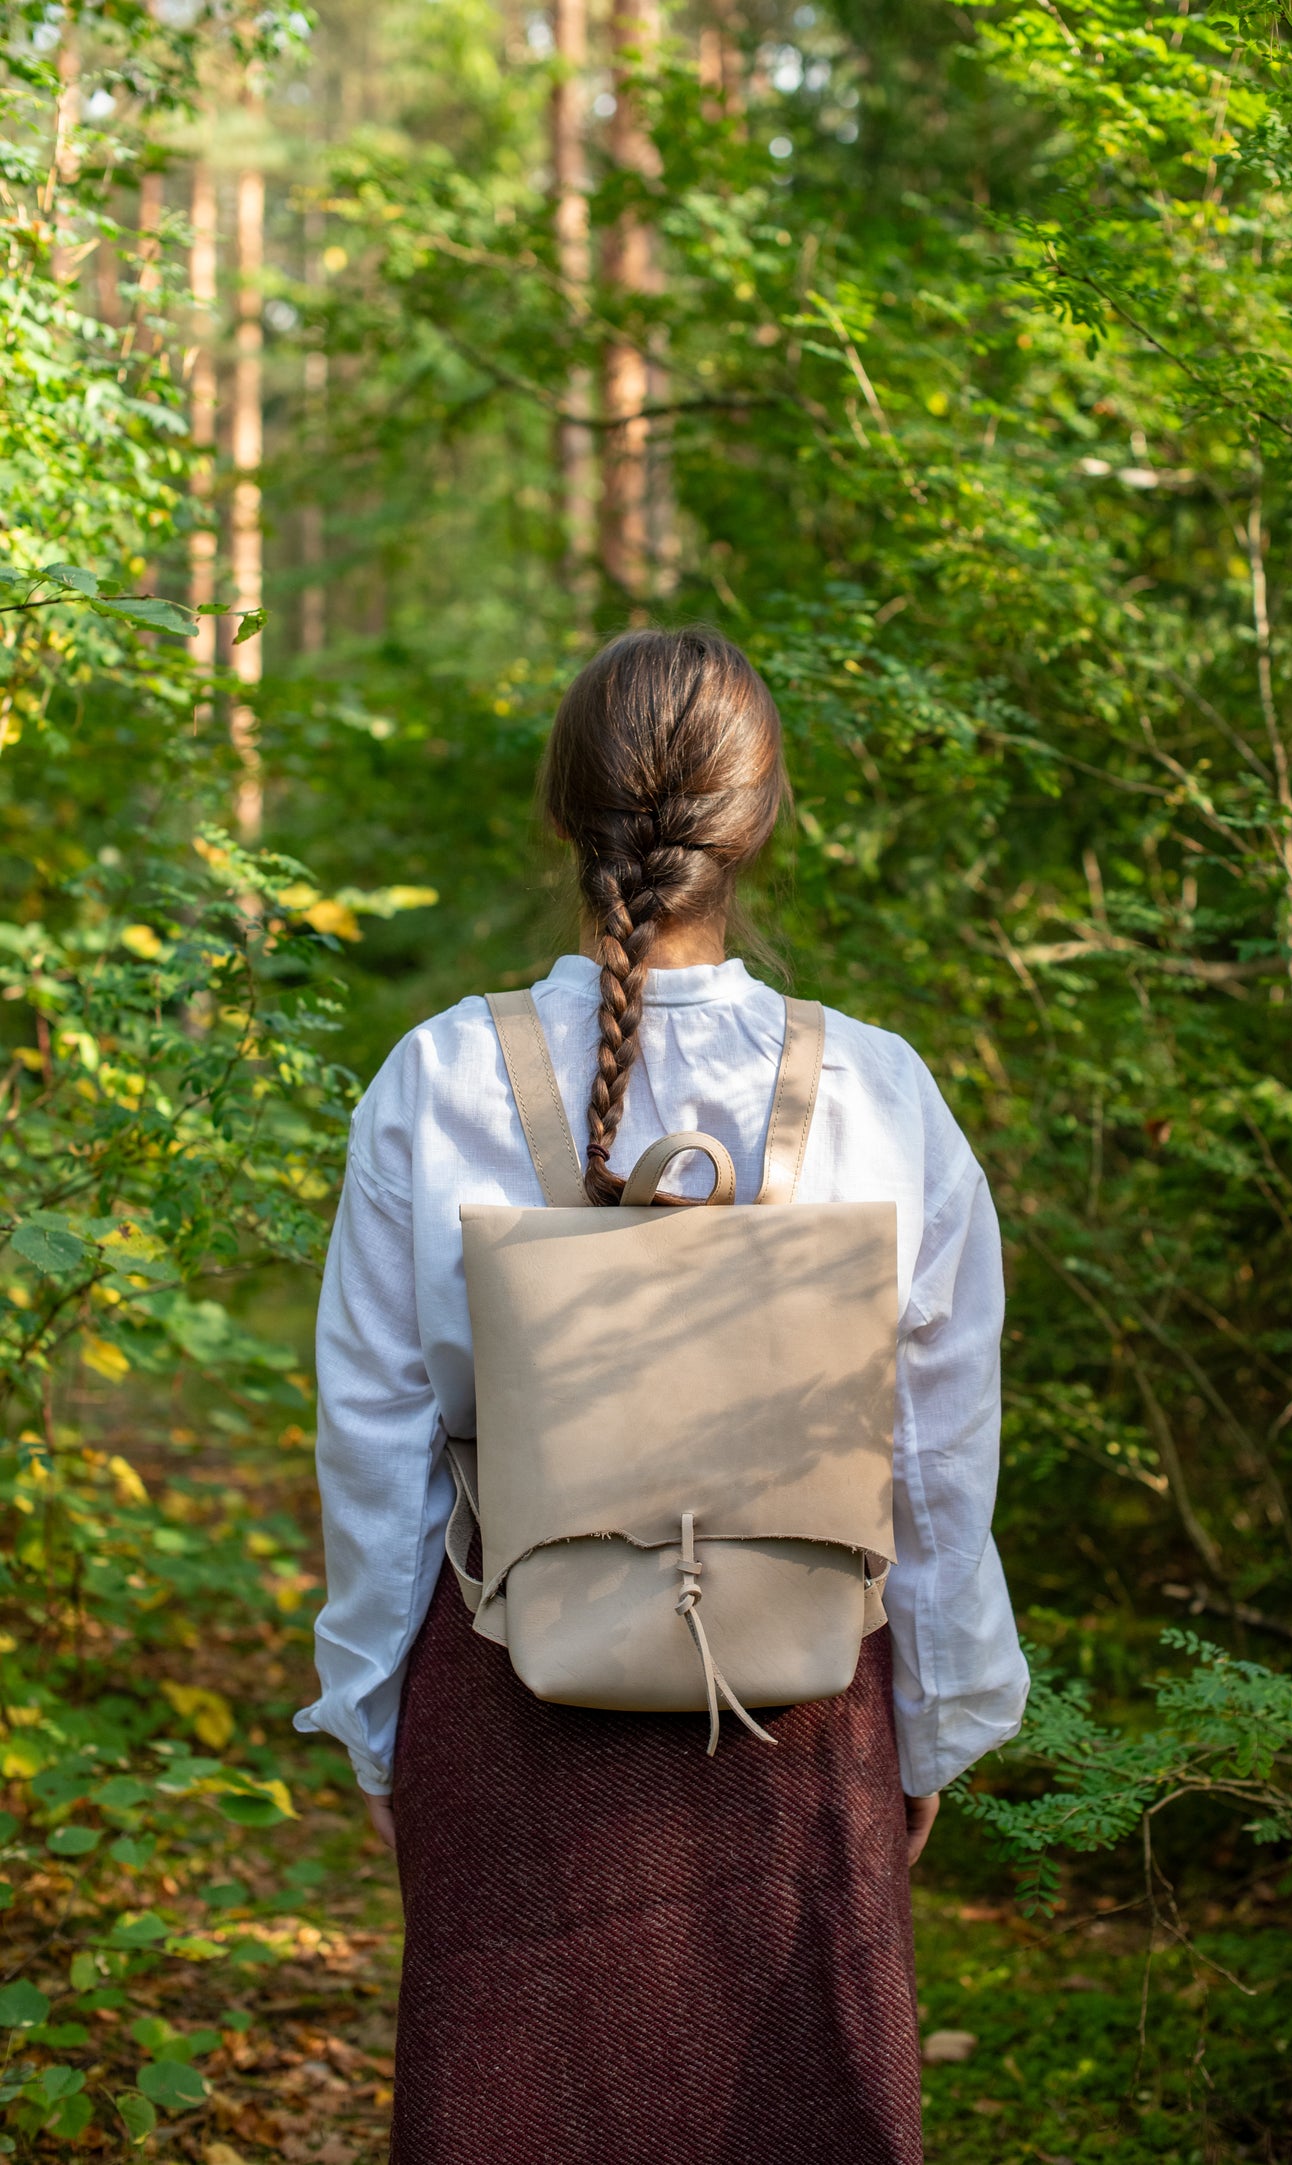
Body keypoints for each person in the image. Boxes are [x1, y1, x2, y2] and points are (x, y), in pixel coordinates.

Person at [296, 626, 1029, 2165]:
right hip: (805, 1705)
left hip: (507, 1689)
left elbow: (377, 1437)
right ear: (757, 822)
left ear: (566, 811)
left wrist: (379, 1717)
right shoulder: (882, 1089)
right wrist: (936, 1718)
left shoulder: (435, 1076)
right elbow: (934, 1455)